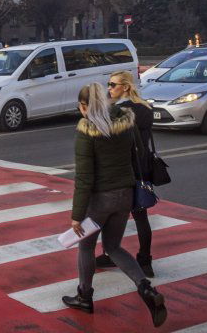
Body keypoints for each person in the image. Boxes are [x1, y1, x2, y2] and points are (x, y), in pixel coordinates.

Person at [62, 83, 166, 327]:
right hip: (125, 195)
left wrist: (76, 216)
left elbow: (84, 178)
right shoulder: (126, 124)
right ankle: (146, 288)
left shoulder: (87, 131)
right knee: (114, 246)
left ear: (86, 106)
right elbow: (136, 156)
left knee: (86, 246)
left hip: (100, 199)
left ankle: (84, 296)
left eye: (81, 106)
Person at [97, 69, 156, 277]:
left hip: (123, 169)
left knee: (109, 214)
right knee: (141, 216)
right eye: (109, 84)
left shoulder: (119, 111)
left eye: (113, 85)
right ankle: (145, 260)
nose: (109, 88)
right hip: (142, 167)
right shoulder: (145, 108)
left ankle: (109, 253)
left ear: (125, 87)